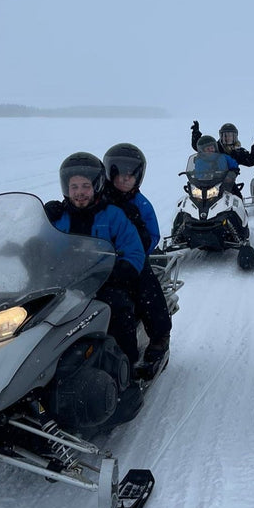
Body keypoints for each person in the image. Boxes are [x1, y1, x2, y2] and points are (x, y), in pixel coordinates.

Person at [44, 152, 145, 365]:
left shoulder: (113, 215)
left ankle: (128, 364)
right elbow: (40, 244)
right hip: (63, 283)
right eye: (74, 187)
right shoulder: (58, 216)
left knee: (118, 308)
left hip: (104, 283)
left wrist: (118, 271)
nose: (80, 193)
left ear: (96, 186)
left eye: (85, 186)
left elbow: (134, 251)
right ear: (66, 189)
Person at [103, 142, 172, 371]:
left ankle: (159, 336)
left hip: (128, 260)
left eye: (130, 176)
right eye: (119, 174)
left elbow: (152, 236)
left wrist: (136, 242)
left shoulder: (140, 204)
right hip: (95, 261)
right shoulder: (98, 198)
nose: (124, 179)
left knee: (145, 285)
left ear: (138, 177)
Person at [190, 120, 254, 167]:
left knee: (235, 190)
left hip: (229, 182)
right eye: (225, 136)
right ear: (221, 136)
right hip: (212, 178)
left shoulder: (239, 151)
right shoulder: (216, 147)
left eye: (231, 136)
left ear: (235, 137)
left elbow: (251, 161)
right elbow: (200, 148)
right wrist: (196, 134)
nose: (228, 138)